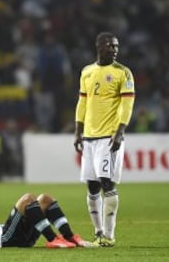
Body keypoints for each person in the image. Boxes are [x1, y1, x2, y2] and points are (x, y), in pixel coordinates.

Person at [73, 32, 135, 247]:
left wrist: (119, 132)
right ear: (98, 46)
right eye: (110, 45)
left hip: (108, 137)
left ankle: (109, 235)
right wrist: (77, 131)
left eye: (116, 46)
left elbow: (127, 105)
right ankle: (98, 232)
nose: (114, 49)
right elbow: (82, 103)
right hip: (89, 136)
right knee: (91, 186)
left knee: (107, 183)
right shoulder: (87, 72)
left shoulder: (123, 73)